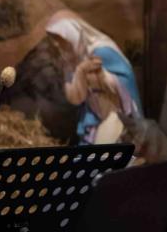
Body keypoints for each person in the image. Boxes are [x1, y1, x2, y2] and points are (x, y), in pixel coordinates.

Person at [44, 9, 143, 144]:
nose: (58, 46)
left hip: (115, 114)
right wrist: (79, 72)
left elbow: (125, 81)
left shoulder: (102, 51)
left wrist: (102, 76)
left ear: (72, 34)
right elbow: (75, 98)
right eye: (55, 40)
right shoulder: (71, 61)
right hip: (94, 116)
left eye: (60, 39)